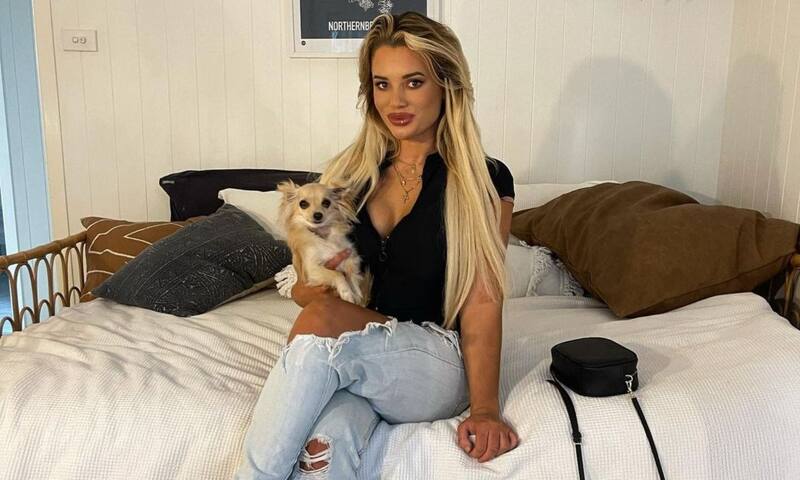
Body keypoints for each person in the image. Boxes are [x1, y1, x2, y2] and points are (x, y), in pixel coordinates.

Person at [235, 11, 519, 479]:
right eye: (382, 84)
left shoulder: (481, 178)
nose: (395, 100)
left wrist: (485, 409)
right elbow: (308, 289)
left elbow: (483, 298)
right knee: (326, 444)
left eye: (413, 82)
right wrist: (314, 290)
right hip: (361, 359)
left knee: (322, 324)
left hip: (434, 361)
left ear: (446, 85)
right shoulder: (347, 178)